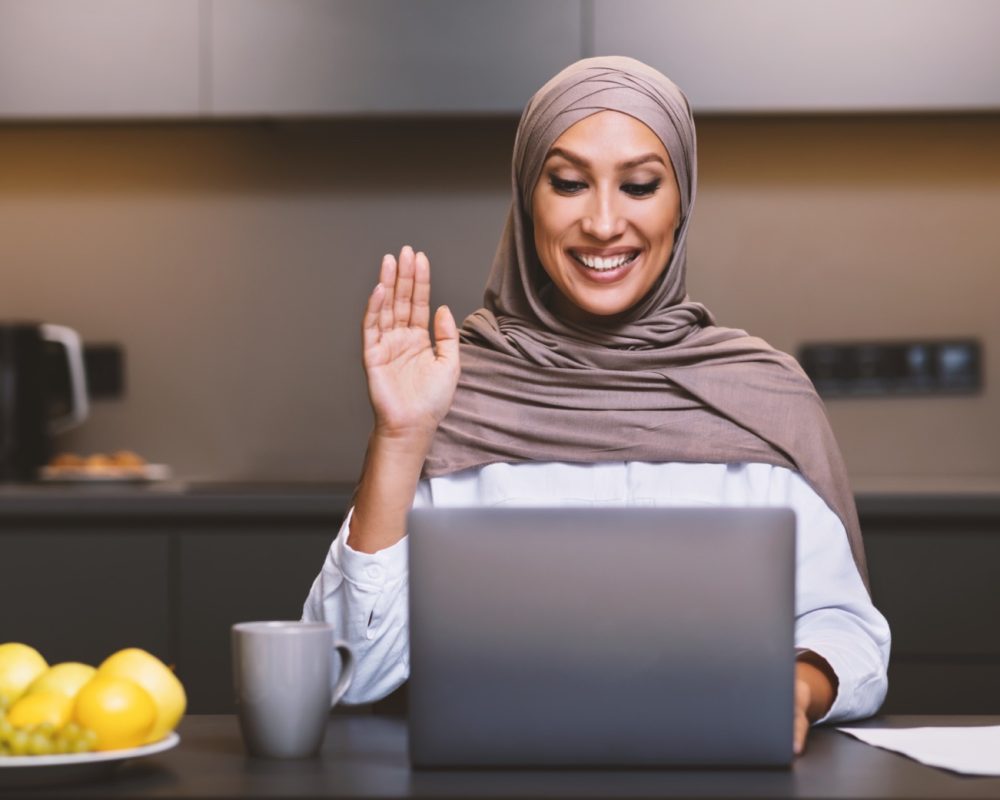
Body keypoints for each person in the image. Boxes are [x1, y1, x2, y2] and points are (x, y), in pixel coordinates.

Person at [303, 56, 890, 756]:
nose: (604, 221)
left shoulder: (761, 396)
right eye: (569, 182)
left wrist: (798, 687)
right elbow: (346, 672)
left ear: (682, 202)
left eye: (640, 185)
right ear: (528, 200)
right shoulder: (450, 386)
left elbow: (846, 632)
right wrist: (401, 438)